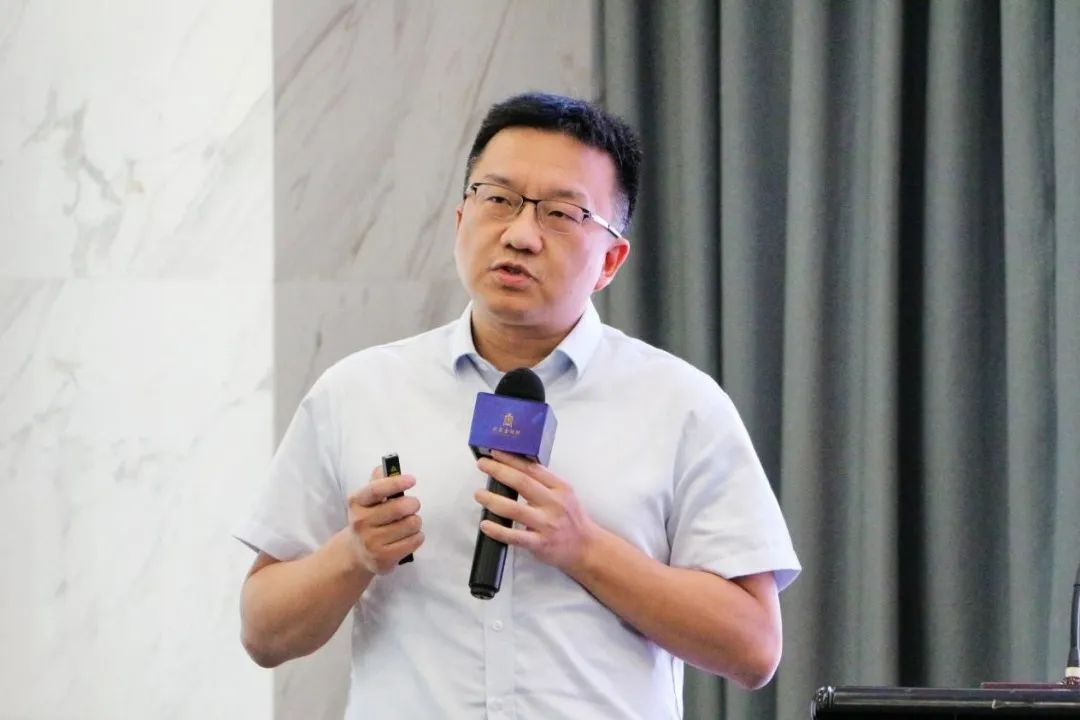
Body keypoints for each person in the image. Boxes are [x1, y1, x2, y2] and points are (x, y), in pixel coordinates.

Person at [236, 92, 800, 719]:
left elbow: (754, 648)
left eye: (561, 213)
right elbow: (263, 632)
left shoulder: (681, 405)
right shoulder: (358, 391)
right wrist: (352, 554)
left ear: (611, 260)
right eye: (498, 200)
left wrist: (585, 548)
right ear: (461, 220)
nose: (521, 234)